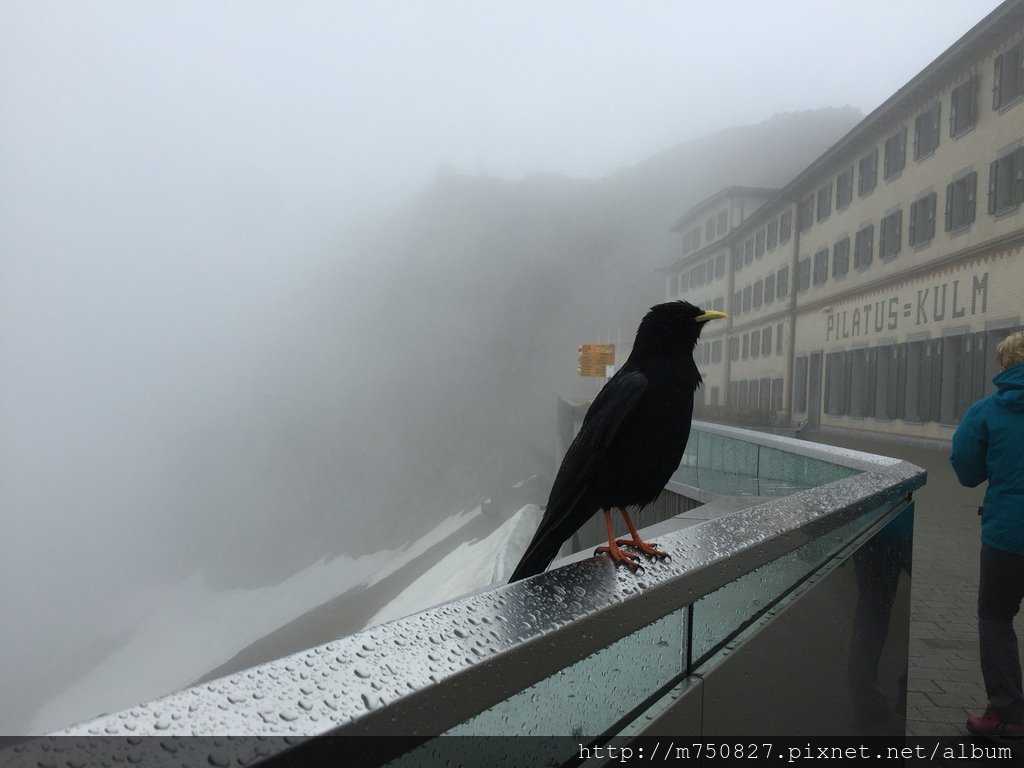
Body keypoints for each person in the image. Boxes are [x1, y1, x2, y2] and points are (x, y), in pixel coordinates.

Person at [951, 330, 1024, 737]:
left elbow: (966, 472)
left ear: (1005, 365)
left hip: (1008, 536)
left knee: (996, 617)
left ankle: (1009, 713)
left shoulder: (985, 412)